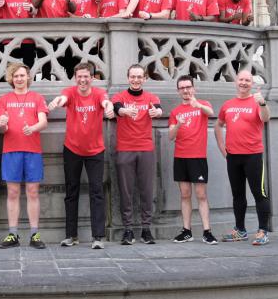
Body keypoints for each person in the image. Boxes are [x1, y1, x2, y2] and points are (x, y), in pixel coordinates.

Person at [48, 63, 114, 249]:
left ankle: (98, 237)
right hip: (72, 149)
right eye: (80, 77)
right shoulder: (70, 91)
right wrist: (57, 102)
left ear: (92, 78)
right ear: (75, 77)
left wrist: (108, 108)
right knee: (71, 192)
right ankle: (71, 236)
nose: (83, 80)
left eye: (86, 77)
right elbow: (63, 98)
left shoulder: (99, 93)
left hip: (95, 150)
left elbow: (105, 102)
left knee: (96, 192)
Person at [215, 70, 271, 245]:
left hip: (253, 156)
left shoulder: (256, 101)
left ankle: (263, 231)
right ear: (235, 82)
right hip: (233, 157)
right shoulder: (227, 104)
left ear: (251, 84)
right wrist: (222, 148)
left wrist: (262, 103)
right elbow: (218, 125)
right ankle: (240, 230)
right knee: (238, 195)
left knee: (259, 194)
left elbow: (266, 118)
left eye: (248, 80)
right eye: (241, 79)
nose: (244, 82)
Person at [0, 62, 48, 249]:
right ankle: (13, 234)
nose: (19, 79)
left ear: (28, 77)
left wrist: (32, 128)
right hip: (11, 151)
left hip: (32, 150)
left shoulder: (37, 97)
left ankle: (35, 234)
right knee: (12, 192)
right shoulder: (4, 99)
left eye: (22, 75)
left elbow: (43, 122)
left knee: (33, 192)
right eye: (15, 76)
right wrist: (2, 123)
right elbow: (2, 127)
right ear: (11, 79)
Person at [111, 64, 162, 245]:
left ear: (144, 79)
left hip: (146, 149)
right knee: (125, 192)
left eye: (139, 77)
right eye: (133, 76)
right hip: (125, 149)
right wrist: (124, 111)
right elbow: (117, 108)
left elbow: (158, 109)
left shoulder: (151, 97)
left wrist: (157, 111)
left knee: (146, 191)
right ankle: (128, 230)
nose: (136, 80)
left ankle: (146, 229)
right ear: (128, 78)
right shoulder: (120, 96)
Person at [169, 75, 218, 245]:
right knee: (185, 194)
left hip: (197, 157)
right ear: (178, 91)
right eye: (182, 88)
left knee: (201, 195)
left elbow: (211, 113)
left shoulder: (202, 104)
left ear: (193, 88)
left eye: (188, 87)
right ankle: (187, 231)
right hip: (180, 156)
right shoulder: (175, 112)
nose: (185, 90)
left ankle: (207, 231)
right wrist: (178, 125)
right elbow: (170, 136)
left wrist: (198, 105)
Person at [2, 0, 35, 69]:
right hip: (9, 39)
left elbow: (35, 12)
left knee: (29, 68)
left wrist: (31, 9)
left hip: (27, 39)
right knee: (10, 70)